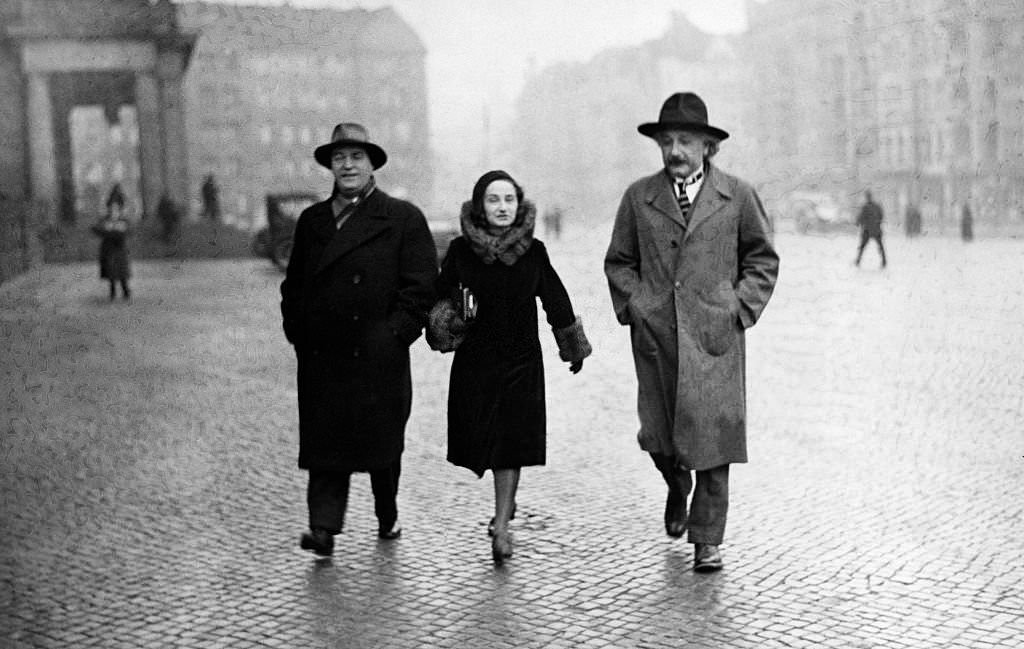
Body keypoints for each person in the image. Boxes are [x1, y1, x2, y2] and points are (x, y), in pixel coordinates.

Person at [604, 92, 779, 573]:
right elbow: (619, 262)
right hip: (657, 339)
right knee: (658, 438)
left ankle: (707, 540)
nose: (674, 150)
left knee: (715, 441)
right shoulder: (638, 198)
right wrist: (639, 305)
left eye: (685, 140)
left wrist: (739, 309)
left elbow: (762, 258)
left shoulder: (737, 195)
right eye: (667, 141)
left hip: (715, 339)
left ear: (708, 146)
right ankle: (676, 485)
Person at [280, 123, 438, 557]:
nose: (347, 166)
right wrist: (298, 329)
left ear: (372, 165)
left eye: (356, 158)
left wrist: (395, 334)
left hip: (377, 353)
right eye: (339, 158)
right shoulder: (313, 222)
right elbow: (293, 285)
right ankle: (323, 528)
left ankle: (386, 512)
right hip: (323, 353)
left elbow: (422, 286)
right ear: (330, 166)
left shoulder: (403, 218)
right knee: (325, 444)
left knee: (381, 444)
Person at [427, 170, 591, 564]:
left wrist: (573, 348)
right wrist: (450, 319)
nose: (502, 207)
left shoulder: (532, 251)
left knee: (510, 444)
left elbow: (555, 298)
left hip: (520, 363)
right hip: (475, 365)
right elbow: (437, 302)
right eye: (493, 200)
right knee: (482, 440)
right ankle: (506, 505)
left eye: (509, 200)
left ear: (519, 205)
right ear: (480, 207)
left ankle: (501, 525)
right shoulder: (460, 253)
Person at [91, 186, 132, 301]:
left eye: (116, 209)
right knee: (111, 272)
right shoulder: (105, 220)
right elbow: (96, 229)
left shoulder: (123, 220)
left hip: (120, 248)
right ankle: (113, 292)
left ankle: (125, 291)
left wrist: (118, 229)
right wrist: (107, 229)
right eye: (112, 208)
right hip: (108, 249)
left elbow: (128, 230)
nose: (114, 211)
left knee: (122, 272)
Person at [855, 190, 887, 268]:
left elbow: (861, 217)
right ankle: (884, 261)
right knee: (880, 246)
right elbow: (881, 216)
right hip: (876, 230)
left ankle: (858, 260)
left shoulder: (865, 207)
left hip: (867, 230)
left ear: (866, 197)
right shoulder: (877, 206)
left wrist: (858, 222)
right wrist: (877, 223)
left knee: (862, 246)